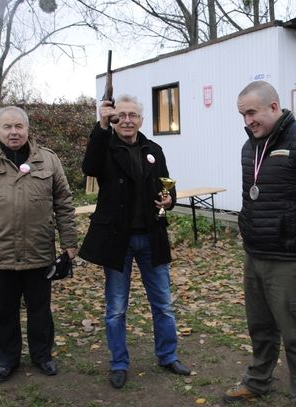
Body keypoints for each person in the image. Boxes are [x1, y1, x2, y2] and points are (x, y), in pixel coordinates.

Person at [223, 81, 296, 405]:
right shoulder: (251, 147)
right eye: (242, 115)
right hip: (255, 253)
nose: (247, 121)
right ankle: (258, 380)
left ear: (274, 107)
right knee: (259, 327)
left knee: (295, 333)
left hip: (289, 259)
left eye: (252, 112)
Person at [78, 94, 191, 390]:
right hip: (118, 240)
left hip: (151, 237)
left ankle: (167, 356)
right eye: (121, 115)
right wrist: (100, 126)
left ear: (142, 120)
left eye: (133, 115)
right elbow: (89, 166)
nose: (127, 120)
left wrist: (170, 200)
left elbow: (167, 187)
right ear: (114, 119)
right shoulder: (105, 146)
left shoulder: (154, 149)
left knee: (163, 305)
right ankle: (118, 363)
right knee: (116, 308)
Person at [0, 106, 78, 383]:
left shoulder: (48, 160)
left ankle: (42, 356)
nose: (14, 132)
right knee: (3, 312)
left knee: (40, 309)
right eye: (7, 127)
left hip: (39, 251)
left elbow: (64, 202)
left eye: (18, 127)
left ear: (27, 129)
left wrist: (69, 242)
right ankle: (7, 359)